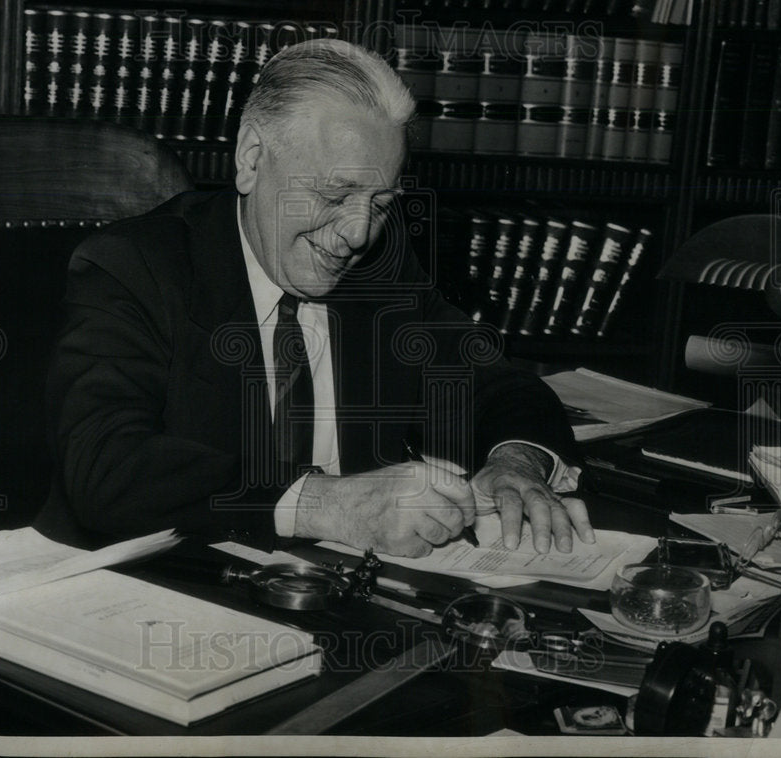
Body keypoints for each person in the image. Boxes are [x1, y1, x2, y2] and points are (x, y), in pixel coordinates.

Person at [36, 38, 595, 558]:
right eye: (335, 193)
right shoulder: (133, 267)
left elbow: (493, 382)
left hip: (338, 598)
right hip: (163, 592)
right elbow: (106, 466)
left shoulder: (379, 268)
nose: (356, 234)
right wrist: (327, 505)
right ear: (252, 159)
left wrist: (515, 461)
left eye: (379, 203)